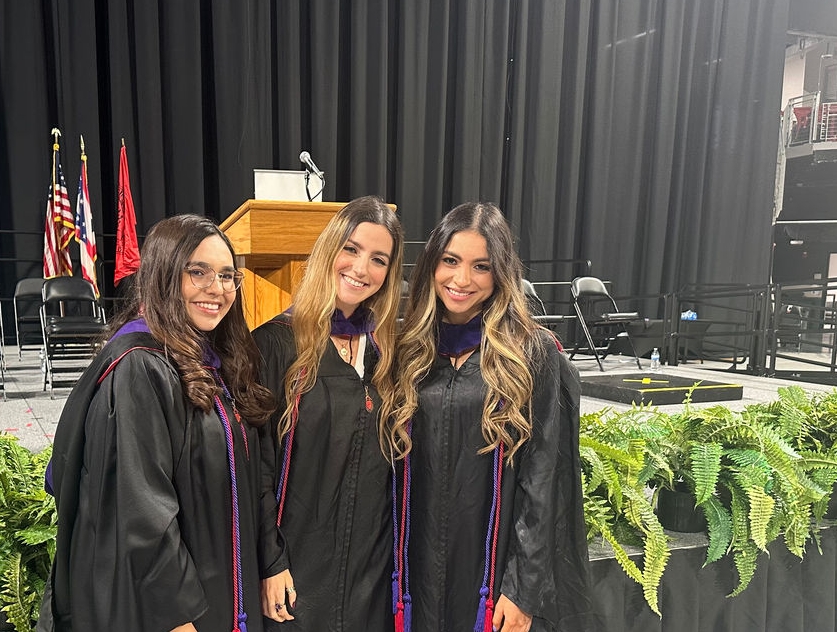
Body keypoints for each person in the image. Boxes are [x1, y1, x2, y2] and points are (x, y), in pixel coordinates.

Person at [38, 214, 285, 632]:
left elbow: (252, 470)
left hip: (225, 580)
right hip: (171, 608)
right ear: (165, 275)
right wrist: (175, 615)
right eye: (198, 272)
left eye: (228, 275)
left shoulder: (218, 359)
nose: (217, 289)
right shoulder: (140, 367)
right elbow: (142, 509)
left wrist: (269, 560)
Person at [386, 202, 597, 632]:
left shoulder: (530, 354)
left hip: (491, 571)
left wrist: (522, 589)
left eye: (480, 266)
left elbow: (543, 480)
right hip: (418, 567)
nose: (461, 280)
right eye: (450, 261)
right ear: (431, 265)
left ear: (501, 273)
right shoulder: (409, 349)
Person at [253, 196, 405, 631]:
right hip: (298, 569)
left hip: (372, 573)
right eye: (352, 249)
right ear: (329, 249)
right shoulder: (277, 344)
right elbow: (258, 466)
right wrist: (270, 561)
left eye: (379, 259)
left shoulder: (388, 352)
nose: (362, 269)